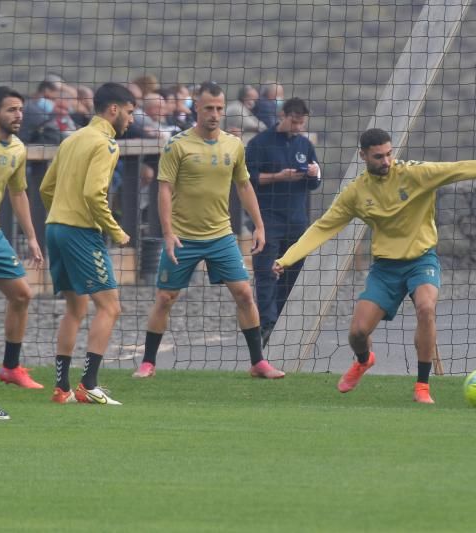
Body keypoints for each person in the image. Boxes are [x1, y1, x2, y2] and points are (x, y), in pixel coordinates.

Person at [273, 127, 476, 403]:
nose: (386, 161)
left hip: (421, 260)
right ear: (363, 156)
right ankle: (364, 359)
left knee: (426, 307)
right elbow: (322, 228)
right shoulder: (356, 193)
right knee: (357, 333)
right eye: (378, 156)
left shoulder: (415, 174)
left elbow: (459, 169)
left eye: (389, 154)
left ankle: (422, 386)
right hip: (385, 269)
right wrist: (287, 259)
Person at [132, 82, 284, 380]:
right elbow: (164, 189)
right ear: (197, 109)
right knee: (165, 298)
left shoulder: (234, 145)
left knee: (244, 293)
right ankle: (148, 362)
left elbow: (244, 185)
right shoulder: (177, 145)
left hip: (221, 237)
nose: (214, 114)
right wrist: (167, 232)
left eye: (218, 108)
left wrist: (259, 226)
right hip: (183, 237)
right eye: (208, 108)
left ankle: (258, 362)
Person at [39, 82, 136, 405]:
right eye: (130, 112)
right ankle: (88, 385)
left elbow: (45, 188)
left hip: (55, 228)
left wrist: (62, 211)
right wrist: (116, 230)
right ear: (114, 110)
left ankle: (61, 388)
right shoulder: (106, 144)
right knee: (110, 306)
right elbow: (94, 194)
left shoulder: (72, 139)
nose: (131, 120)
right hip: (81, 231)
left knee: (75, 308)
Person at [0, 87, 46, 401]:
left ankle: (10, 367)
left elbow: (18, 193)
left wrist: (32, 237)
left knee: (22, 294)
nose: (18, 115)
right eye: (11, 110)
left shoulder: (18, 148)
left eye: (20, 109)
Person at [247, 97, 320, 345]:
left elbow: (315, 182)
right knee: (266, 270)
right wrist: (278, 176)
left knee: (294, 270)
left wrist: (314, 173)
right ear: (283, 116)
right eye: (294, 121)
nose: (298, 127)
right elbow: (249, 178)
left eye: (302, 123)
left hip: (297, 219)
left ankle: (280, 319)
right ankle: (266, 322)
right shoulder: (260, 143)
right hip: (268, 217)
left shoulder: (305, 145)